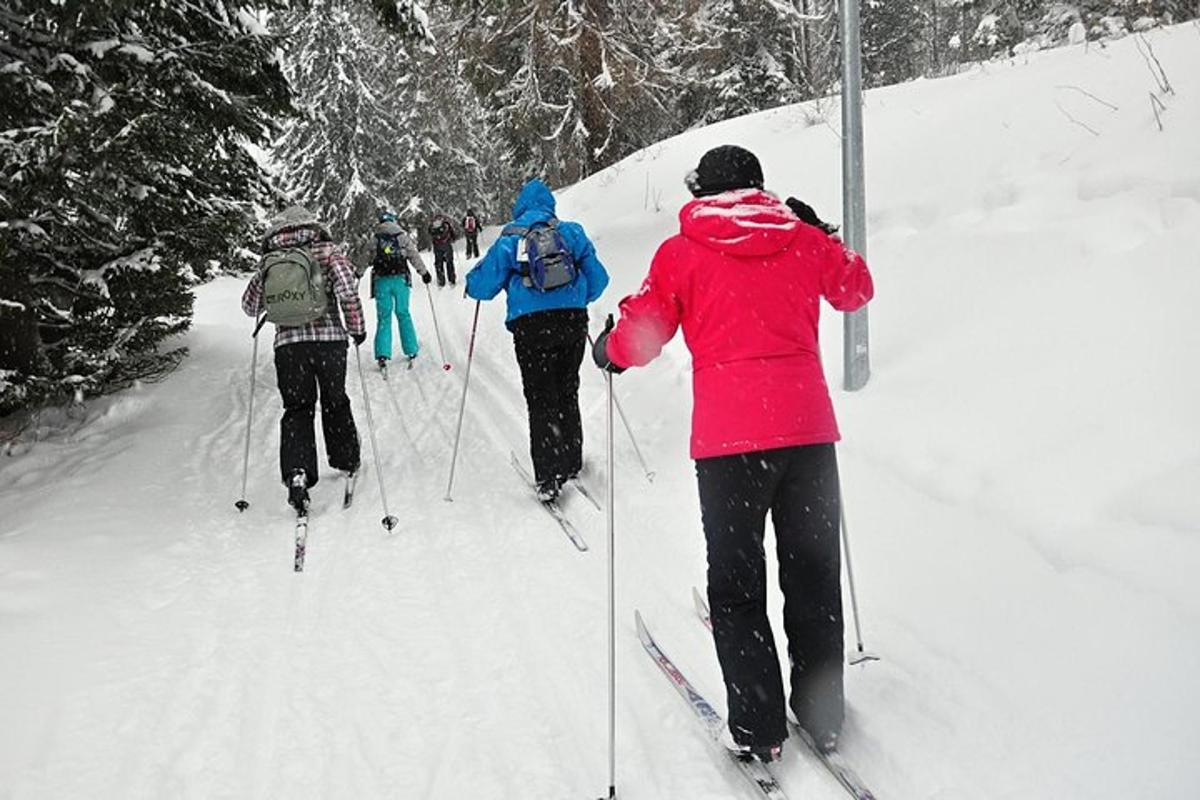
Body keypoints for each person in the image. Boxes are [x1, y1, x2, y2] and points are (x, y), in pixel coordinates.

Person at [592, 145, 874, 761]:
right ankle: (822, 715)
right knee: (813, 574)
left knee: (738, 583)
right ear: (759, 187)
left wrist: (610, 351)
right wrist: (822, 230)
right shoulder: (802, 242)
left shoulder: (681, 252)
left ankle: (757, 727)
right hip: (806, 435)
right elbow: (856, 287)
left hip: (730, 444)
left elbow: (646, 331)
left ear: (703, 191)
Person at [465, 179, 609, 501]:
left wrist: (471, 283)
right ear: (549, 205)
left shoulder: (511, 237)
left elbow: (483, 286)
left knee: (540, 397)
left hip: (531, 326)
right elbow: (600, 279)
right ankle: (571, 461)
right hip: (572, 321)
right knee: (567, 390)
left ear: (520, 206)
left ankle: (548, 477)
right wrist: (575, 298)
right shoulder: (571, 232)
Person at [241, 206, 367, 511]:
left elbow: (249, 306)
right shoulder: (327, 250)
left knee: (297, 408)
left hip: (289, 346)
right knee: (335, 401)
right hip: (329, 343)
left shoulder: (270, 258)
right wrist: (357, 328)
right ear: (312, 225)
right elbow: (348, 290)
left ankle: (297, 472)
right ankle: (346, 458)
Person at [370, 211, 433, 369]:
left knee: (384, 317)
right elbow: (413, 256)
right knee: (403, 313)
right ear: (393, 221)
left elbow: (365, 258)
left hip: (381, 280)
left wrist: (357, 273)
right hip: (400, 279)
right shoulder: (401, 236)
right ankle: (411, 349)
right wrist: (424, 272)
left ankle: (382, 354)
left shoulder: (375, 238)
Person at [428, 213, 457, 287]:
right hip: (447, 245)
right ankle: (452, 280)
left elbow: (429, 233)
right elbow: (453, 234)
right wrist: (453, 239)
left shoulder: (432, 226)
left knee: (438, 263)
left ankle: (441, 281)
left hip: (437, 247)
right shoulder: (446, 224)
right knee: (449, 262)